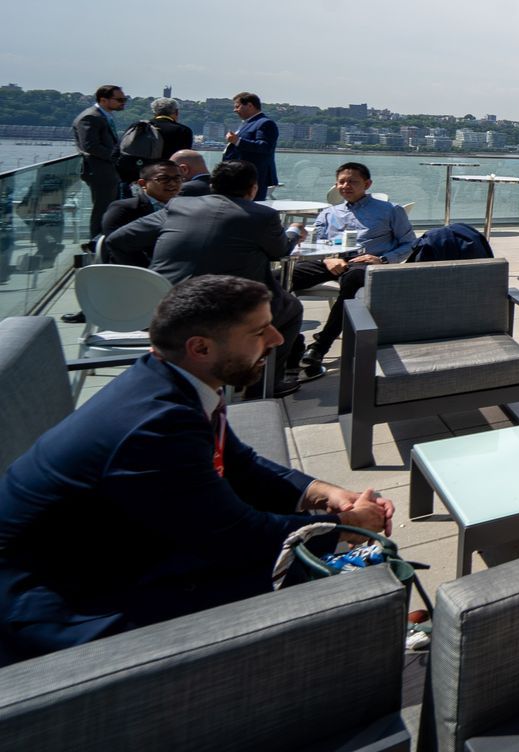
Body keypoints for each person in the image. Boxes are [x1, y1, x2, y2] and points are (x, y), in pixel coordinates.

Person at [0, 275, 392, 663]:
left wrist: (324, 493)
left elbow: (241, 464)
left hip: (111, 551)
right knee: (335, 587)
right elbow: (237, 536)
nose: (276, 339)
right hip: (63, 601)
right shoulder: (155, 427)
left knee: (340, 568)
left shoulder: (173, 383)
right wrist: (345, 529)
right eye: (259, 332)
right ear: (201, 347)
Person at [106, 161, 306, 395]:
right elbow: (280, 251)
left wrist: (147, 276)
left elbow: (116, 240)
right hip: (220, 312)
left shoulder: (178, 206)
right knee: (291, 308)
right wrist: (293, 233)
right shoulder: (262, 216)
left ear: (212, 185)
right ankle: (263, 387)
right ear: (253, 188)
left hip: (163, 306)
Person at [289, 163, 418, 377]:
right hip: (329, 261)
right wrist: (329, 258)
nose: (345, 186)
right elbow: (317, 242)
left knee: (352, 280)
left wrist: (383, 260)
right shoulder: (329, 213)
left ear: (367, 184)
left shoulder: (390, 210)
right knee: (281, 278)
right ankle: (291, 344)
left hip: (364, 262)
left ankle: (320, 346)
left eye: (352, 181)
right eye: (341, 182)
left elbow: (410, 243)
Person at [72, 83, 127, 240]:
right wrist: (117, 157)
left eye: (124, 99)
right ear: (103, 100)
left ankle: (106, 241)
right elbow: (91, 146)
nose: (123, 102)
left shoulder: (102, 116)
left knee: (110, 208)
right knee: (102, 209)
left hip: (107, 171)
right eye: (119, 99)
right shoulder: (90, 117)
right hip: (99, 171)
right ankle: (97, 243)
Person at [99, 162, 184, 256]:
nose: (172, 183)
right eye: (163, 179)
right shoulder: (123, 208)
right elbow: (115, 244)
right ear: (143, 183)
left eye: (177, 179)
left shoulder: (187, 207)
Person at [223, 92, 279, 199]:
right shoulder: (247, 123)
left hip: (253, 177)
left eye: (237, 106)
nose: (235, 110)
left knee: (253, 208)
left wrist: (237, 141)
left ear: (250, 105)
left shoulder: (265, 123)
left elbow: (265, 146)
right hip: (240, 176)